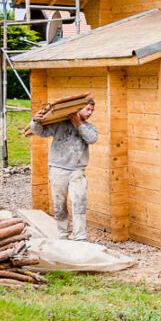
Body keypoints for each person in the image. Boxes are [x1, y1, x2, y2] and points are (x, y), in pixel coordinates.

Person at [30, 100, 98, 241]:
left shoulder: (89, 127)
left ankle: (79, 236)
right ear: (77, 109)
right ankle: (62, 234)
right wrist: (35, 121)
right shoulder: (60, 123)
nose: (90, 113)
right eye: (87, 109)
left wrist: (78, 123)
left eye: (92, 110)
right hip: (58, 169)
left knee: (79, 201)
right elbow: (40, 131)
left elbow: (92, 139)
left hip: (77, 171)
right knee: (59, 203)